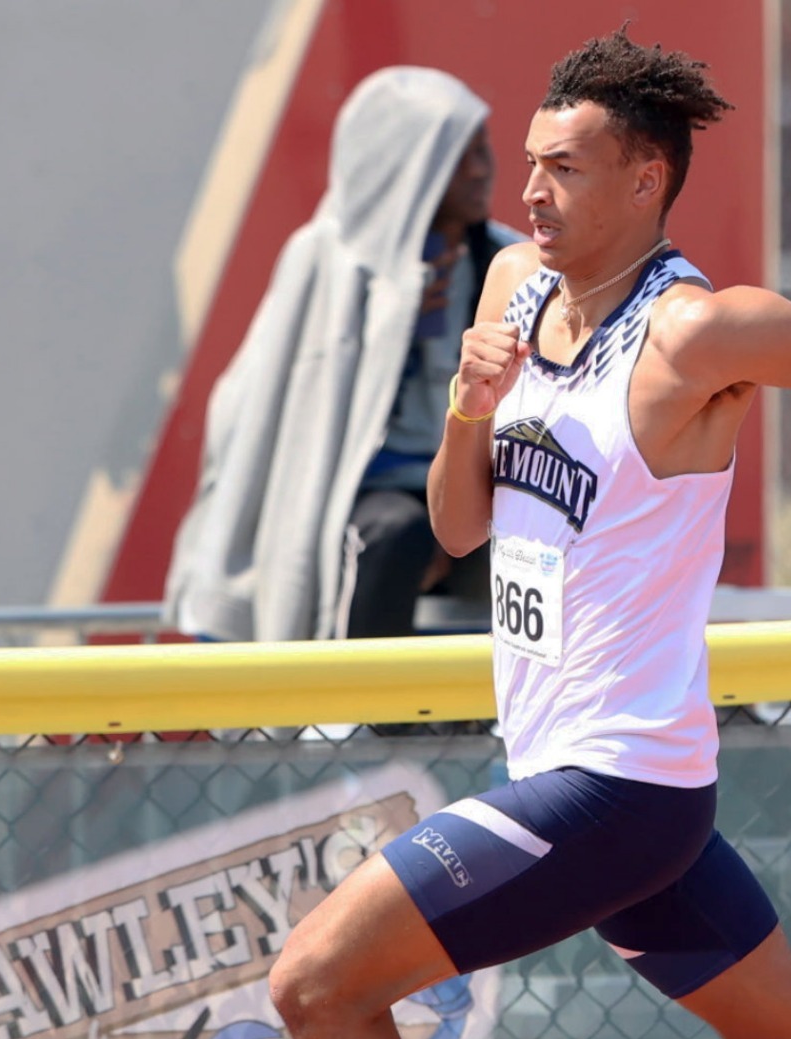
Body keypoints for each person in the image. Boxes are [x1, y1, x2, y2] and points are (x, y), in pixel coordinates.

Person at [267, 29, 791, 1039]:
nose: (531, 192)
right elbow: (457, 529)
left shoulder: (694, 331)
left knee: (314, 986)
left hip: (614, 789)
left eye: (564, 168)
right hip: (591, 780)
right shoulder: (512, 286)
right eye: (529, 164)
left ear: (645, 178)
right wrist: (469, 405)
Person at [163, 67, 523, 643]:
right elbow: (268, 417)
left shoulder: (509, 262)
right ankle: (352, 721)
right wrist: (394, 316)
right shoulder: (328, 261)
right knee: (392, 534)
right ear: (408, 163)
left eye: (483, 148)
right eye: (461, 152)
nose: (484, 168)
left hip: (473, 481)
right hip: (360, 493)